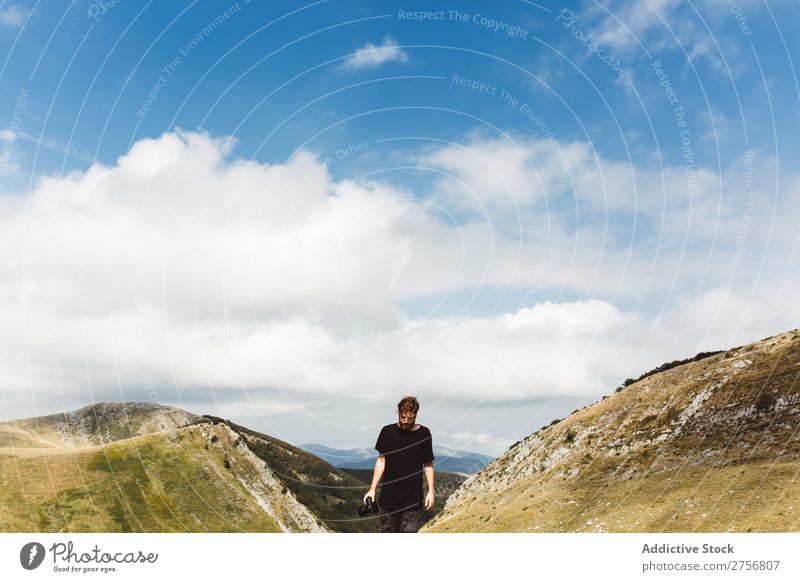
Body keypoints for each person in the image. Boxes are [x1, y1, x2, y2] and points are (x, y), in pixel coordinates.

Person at [363, 396, 435, 533]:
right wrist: (372, 489)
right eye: (403, 417)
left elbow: (428, 464)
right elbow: (381, 460)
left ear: (416, 415)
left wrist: (431, 491)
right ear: (398, 412)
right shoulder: (387, 432)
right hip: (389, 500)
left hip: (412, 501)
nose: (406, 421)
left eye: (410, 418)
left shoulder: (424, 434)